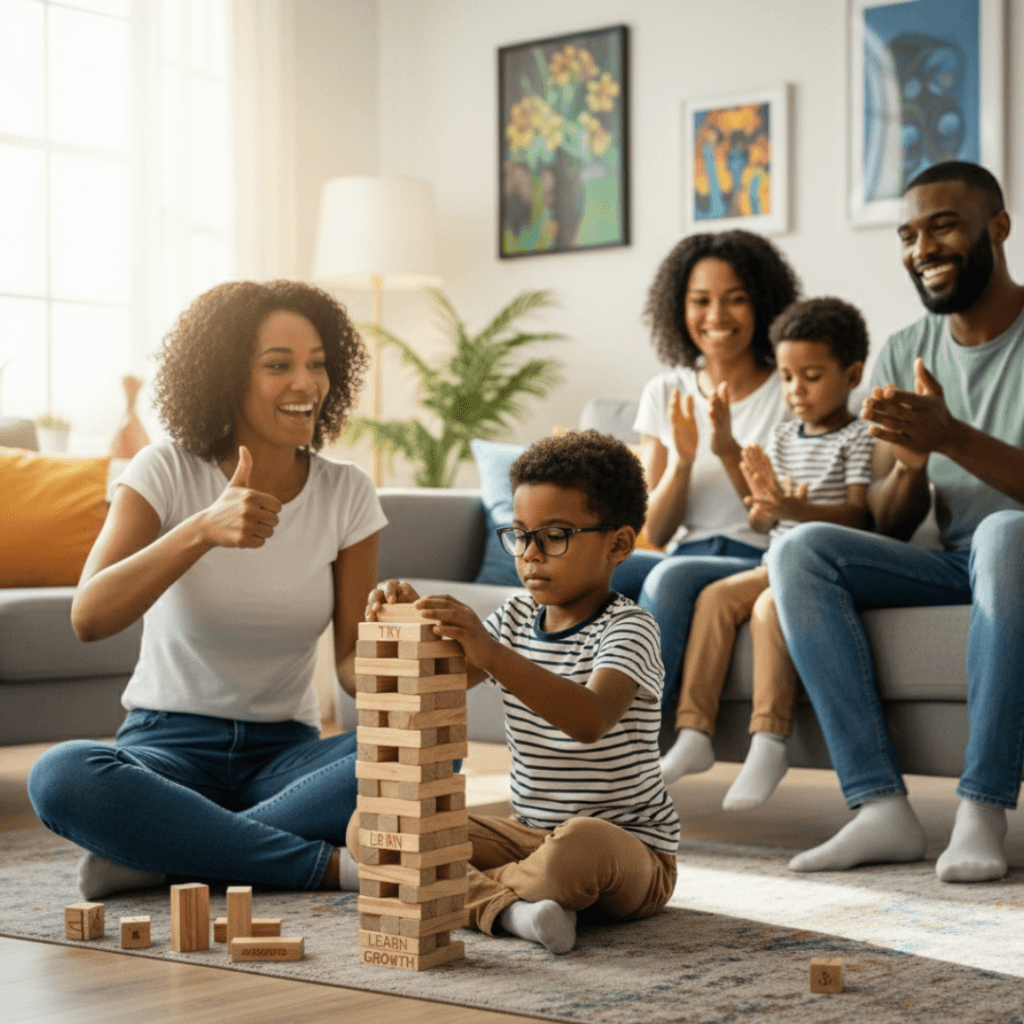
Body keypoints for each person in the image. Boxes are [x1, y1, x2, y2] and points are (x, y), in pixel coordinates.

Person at [28, 280, 385, 898]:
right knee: (63, 776)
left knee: (428, 750)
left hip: (286, 760)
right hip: (168, 752)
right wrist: (200, 530)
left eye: (318, 364)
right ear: (227, 376)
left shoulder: (347, 492)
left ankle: (160, 855)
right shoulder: (164, 469)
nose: (306, 383)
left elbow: (352, 668)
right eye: (279, 365)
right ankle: (325, 867)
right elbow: (89, 615)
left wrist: (407, 653)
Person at [769, 161, 1024, 881]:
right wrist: (911, 465)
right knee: (801, 551)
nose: (921, 247)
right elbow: (886, 520)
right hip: (956, 562)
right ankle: (878, 807)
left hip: (1016, 551)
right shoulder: (906, 349)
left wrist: (951, 437)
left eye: (943, 225)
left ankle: (981, 807)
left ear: (997, 228)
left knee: (1007, 533)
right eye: (909, 233)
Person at [356, 430, 680, 954]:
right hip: (528, 834)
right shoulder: (512, 618)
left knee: (576, 848)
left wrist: (492, 653)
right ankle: (513, 913)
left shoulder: (630, 628)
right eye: (520, 534)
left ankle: (468, 893)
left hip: (628, 848)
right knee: (374, 826)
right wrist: (411, 619)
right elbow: (440, 684)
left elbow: (590, 720)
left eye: (554, 536)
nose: (529, 555)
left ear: (618, 544)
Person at [666, 297, 875, 803]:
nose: (795, 391)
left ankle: (769, 739)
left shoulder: (859, 437)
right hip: (773, 557)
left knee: (766, 607)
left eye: (810, 376)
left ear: (851, 374)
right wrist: (764, 507)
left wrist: (797, 512)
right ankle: (693, 733)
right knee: (714, 597)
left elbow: (862, 517)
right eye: (786, 377)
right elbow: (762, 512)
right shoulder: (783, 437)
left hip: (817, 568)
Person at [620, 230, 800, 781]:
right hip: (685, 548)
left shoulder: (790, 386)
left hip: (755, 556)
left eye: (735, 297)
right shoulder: (666, 390)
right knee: (606, 568)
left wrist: (724, 452)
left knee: (671, 580)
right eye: (701, 300)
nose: (716, 315)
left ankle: (630, 759)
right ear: (680, 308)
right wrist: (681, 458)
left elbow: (775, 515)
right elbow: (655, 525)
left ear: (763, 303)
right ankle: (565, 736)